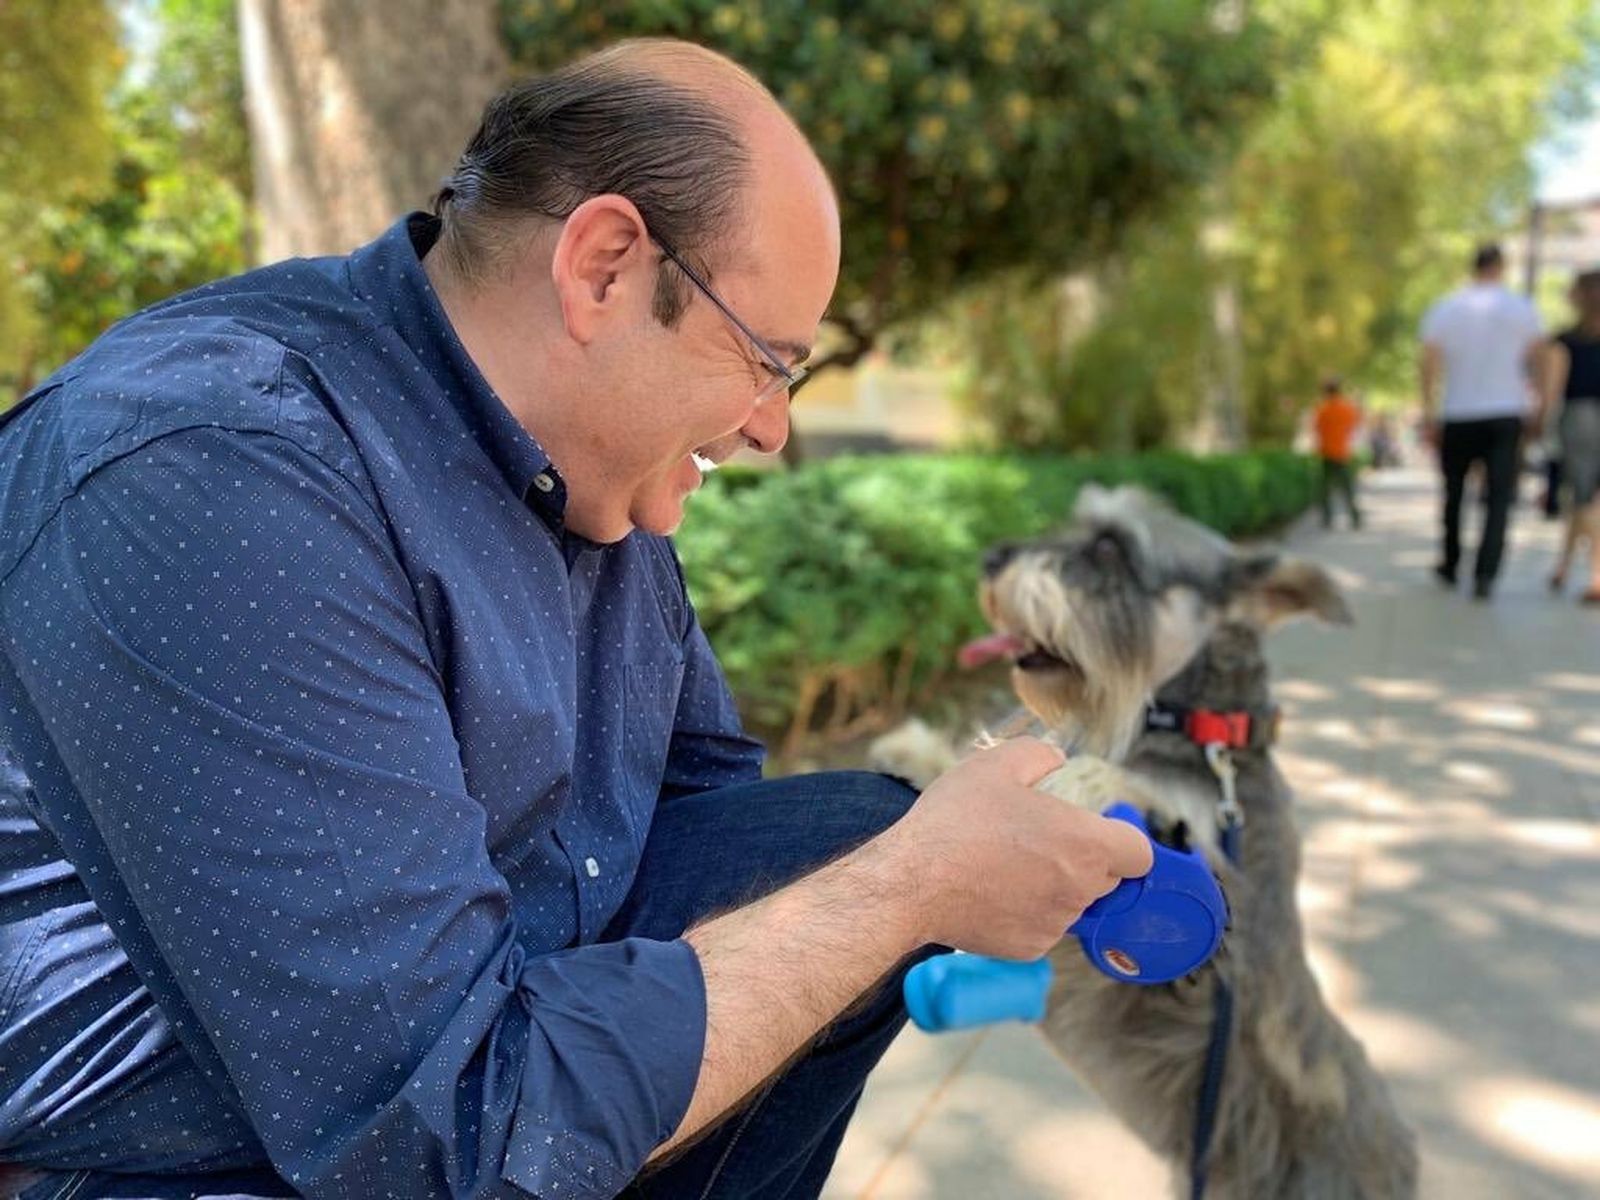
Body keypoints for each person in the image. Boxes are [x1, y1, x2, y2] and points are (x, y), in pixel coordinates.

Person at [0, 40, 1152, 1200]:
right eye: (767, 363)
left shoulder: (589, 485)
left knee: (836, 841)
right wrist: (913, 884)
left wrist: (933, 860)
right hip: (203, 1161)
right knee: (869, 884)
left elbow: (713, 820)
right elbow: (439, 1141)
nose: (771, 432)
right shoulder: (218, 475)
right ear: (603, 267)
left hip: (484, 1099)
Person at [1419, 243, 1547, 601]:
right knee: (1499, 497)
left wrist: (1429, 413)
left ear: (1473, 266)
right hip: (1507, 413)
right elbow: (1540, 360)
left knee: (1454, 493)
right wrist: (1541, 407)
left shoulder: (1446, 308)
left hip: (1458, 412)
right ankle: (1485, 574)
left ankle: (1450, 561)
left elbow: (1429, 362)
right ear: (1501, 267)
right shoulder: (1521, 308)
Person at [1543, 269, 1600, 605]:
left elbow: (1552, 390)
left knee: (1583, 500)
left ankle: (1595, 576)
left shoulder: (1564, 342)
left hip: (1579, 418)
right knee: (1586, 502)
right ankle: (1563, 565)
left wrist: (1539, 425)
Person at [1312, 376, 1363, 529]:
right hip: (1342, 453)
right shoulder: (1346, 408)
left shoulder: (1322, 410)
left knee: (1325, 489)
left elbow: (1317, 429)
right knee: (1347, 489)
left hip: (1326, 453)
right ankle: (1355, 518)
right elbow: (1354, 425)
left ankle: (1327, 520)